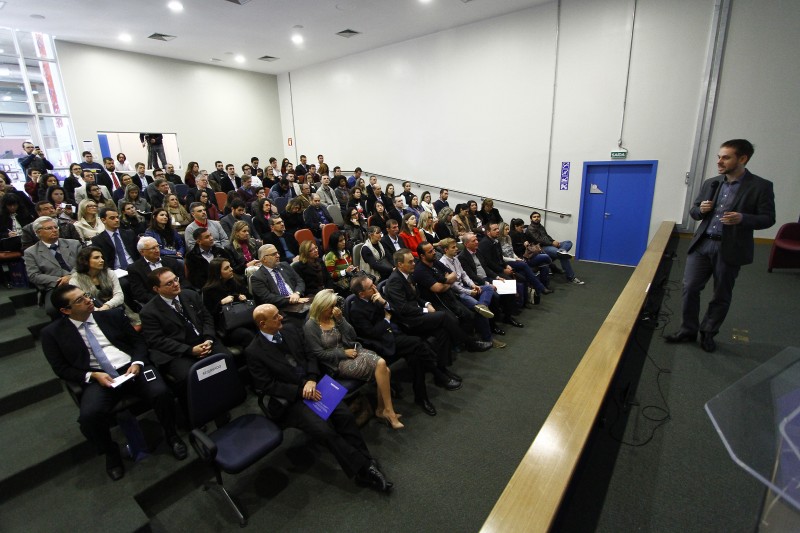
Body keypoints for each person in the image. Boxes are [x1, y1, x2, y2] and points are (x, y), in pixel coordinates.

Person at [41, 285, 186, 482]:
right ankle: (110, 452)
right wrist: (92, 375)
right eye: (79, 300)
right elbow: (61, 368)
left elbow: (138, 342)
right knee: (89, 418)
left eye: (85, 295)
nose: (87, 300)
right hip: (97, 378)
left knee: (161, 392)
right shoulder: (52, 333)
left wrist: (137, 362)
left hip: (130, 367)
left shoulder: (111, 316)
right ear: (65, 310)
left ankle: (172, 435)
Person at [245, 304, 393, 492]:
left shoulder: (290, 329)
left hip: (313, 383)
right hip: (293, 399)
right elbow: (266, 385)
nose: (281, 317)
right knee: (325, 431)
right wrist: (301, 390)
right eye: (276, 317)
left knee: (345, 416)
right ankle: (366, 469)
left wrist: (312, 379)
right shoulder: (254, 351)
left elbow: (310, 356)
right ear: (262, 323)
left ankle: (366, 463)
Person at [665, 139, 775, 353]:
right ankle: (688, 330)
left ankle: (708, 333)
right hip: (703, 244)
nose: (720, 161)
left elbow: (768, 218)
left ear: (742, 159)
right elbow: (694, 212)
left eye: (726, 157)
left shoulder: (760, 186)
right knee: (689, 288)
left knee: (721, 294)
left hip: (730, 248)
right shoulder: (712, 183)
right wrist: (701, 210)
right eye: (719, 157)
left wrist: (742, 218)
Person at [304, 289, 403, 429]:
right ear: (321, 307)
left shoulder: (334, 317)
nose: (334, 309)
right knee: (382, 365)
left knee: (384, 369)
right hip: (337, 363)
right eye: (330, 307)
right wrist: (343, 353)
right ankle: (388, 412)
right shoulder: (311, 326)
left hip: (354, 351)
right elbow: (319, 353)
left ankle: (383, 410)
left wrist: (340, 320)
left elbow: (352, 336)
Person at [348, 275, 439, 415]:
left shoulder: (377, 295)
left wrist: (384, 303)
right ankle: (438, 371)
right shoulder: (356, 310)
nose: (375, 287)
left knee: (416, 358)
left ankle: (422, 398)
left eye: (374, 284)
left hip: (397, 333)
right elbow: (372, 333)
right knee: (417, 343)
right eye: (370, 287)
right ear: (361, 294)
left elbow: (396, 311)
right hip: (383, 342)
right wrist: (386, 319)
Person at [140, 267, 230, 403]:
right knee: (190, 376)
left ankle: (226, 397)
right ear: (156, 289)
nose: (176, 284)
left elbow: (207, 318)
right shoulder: (149, 312)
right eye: (169, 283)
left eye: (176, 279)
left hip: (204, 341)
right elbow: (157, 341)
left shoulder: (190, 295)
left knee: (226, 359)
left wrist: (209, 339)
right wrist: (190, 350)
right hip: (178, 352)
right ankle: (200, 408)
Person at [384, 249, 463, 390]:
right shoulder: (394, 282)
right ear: (400, 264)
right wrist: (425, 310)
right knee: (444, 316)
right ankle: (464, 340)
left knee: (442, 332)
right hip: (409, 322)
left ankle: (441, 371)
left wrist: (426, 303)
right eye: (410, 262)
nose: (414, 263)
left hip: (418, 315)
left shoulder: (409, 274)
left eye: (413, 261)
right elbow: (403, 308)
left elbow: (415, 297)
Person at [438, 238, 505, 348]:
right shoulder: (442, 263)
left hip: (466, 287)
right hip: (458, 293)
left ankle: (482, 306)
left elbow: (464, 274)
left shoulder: (455, 259)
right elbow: (453, 285)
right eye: (453, 247)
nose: (456, 249)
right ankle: (488, 338)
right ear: (445, 250)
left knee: (488, 288)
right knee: (480, 310)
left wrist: (473, 285)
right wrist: (469, 291)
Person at [461, 231, 523, 329]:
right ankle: (492, 324)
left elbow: (486, 268)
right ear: (466, 244)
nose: (477, 242)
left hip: (488, 278)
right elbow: (471, 275)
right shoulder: (462, 257)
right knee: (495, 296)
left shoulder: (478, 251)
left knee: (509, 288)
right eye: (474, 241)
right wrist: (487, 284)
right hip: (478, 282)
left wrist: (497, 277)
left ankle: (508, 317)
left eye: (477, 239)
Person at [69, 246, 139, 326]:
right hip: (94, 316)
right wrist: (100, 311)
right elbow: (83, 304)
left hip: (118, 309)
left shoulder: (109, 273)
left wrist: (106, 307)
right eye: (96, 258)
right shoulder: (75, 281)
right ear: (85, 261)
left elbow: (119, 296)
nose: (101, 260)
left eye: (102, 257)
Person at [202, 257, 255, 347]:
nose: (231, 269)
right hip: (228, 327)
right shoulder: (209, 290)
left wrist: (244, 297)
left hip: (245, 318)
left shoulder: (235, 280)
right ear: (218, 273)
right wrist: (220, 304)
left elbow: (250, 298)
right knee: (247, 334)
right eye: (226, 268)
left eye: (230, 266)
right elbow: (209, 316)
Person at [23, 216, 81, 295]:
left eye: (56, 227)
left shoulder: (74, 244)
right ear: (38, 232)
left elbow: (82, 263)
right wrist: (60, 280)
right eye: (49, 228)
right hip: (55, 287)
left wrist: (71, 277)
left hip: (80, 280)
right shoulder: (31, 252)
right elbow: (34, 275)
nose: (54, 230)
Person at [498, 221, 552, 300]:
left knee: (526, 271)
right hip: (506, 262)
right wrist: (515, 260)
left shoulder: (508, 238)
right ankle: (541, 287)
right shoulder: (498, 241)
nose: (508, 231)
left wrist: (516, 258)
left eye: (508, 229)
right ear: (501, 230)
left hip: (514, 259)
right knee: (525, 264)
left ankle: (529, 297)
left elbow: (512, 252)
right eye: (506, 229)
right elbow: (502, 257)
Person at [525, 211, 584, 285]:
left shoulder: (541, 226)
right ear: (531, 219)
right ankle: (571, 277)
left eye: (538, 216)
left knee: (568, 243)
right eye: (534, 217)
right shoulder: (530, 228)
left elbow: (547, 236)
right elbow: (539, 240)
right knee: (563, 256)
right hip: (541, 248)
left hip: (549, 245)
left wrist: (554, 241)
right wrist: (552, 243)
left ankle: (561, 251)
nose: (536, 218)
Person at [250, 244, 309, 315]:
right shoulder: (257, 277)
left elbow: (299, 281)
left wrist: (297, 293)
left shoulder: (285, 265)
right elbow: (268, 298)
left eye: (277, 253)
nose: (278, 255)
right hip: (279, 309)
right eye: (274, 254)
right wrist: (291, 300)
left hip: (299, 301)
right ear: (264, 259)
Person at [128, 236, 184, 309]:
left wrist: (179, 296)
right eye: (152, 248)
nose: (157, 250)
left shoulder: (171, 261)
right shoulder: (135, 269)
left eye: (157, 246)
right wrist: (164, 300)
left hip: (179, 297)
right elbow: (140, 293)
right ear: (142, 252)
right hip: (157, 303)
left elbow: (184, 281)